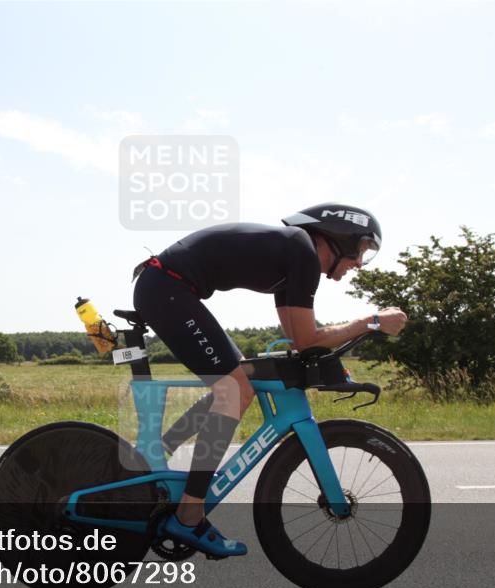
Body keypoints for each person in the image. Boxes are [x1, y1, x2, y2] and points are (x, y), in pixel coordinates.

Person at [131, 203, 408, 558]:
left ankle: (152, 461)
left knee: (241, 377)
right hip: (167, 288)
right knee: (234, 391)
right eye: (361, 252)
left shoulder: (292, 258)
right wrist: (370, 321)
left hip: (168, 287)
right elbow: (308, 339)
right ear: (341, 238)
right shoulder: (302, 251)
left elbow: (298, 340)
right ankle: (188, 514)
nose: (358, 264)